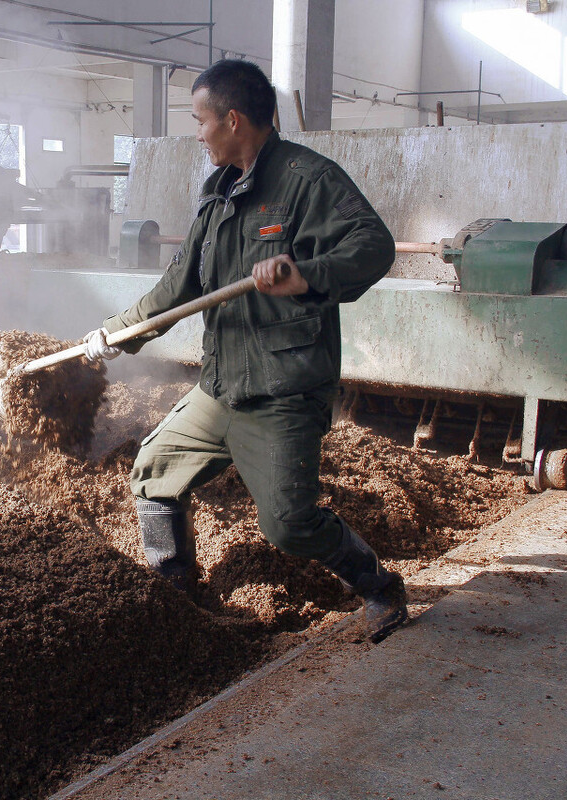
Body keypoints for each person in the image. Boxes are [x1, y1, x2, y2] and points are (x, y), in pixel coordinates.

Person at [81, 60, 406, 642]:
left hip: (283, 389)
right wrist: (115, 332)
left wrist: (305, 274)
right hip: (222, 385)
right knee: (154, 471)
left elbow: (375, 245)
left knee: (289, 525)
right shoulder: (218, 197)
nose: (198, 133)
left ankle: (381, 587)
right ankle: (175, 593)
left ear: (232, 120)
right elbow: (177, 289)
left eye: (200, 121)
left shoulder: (308, 180)